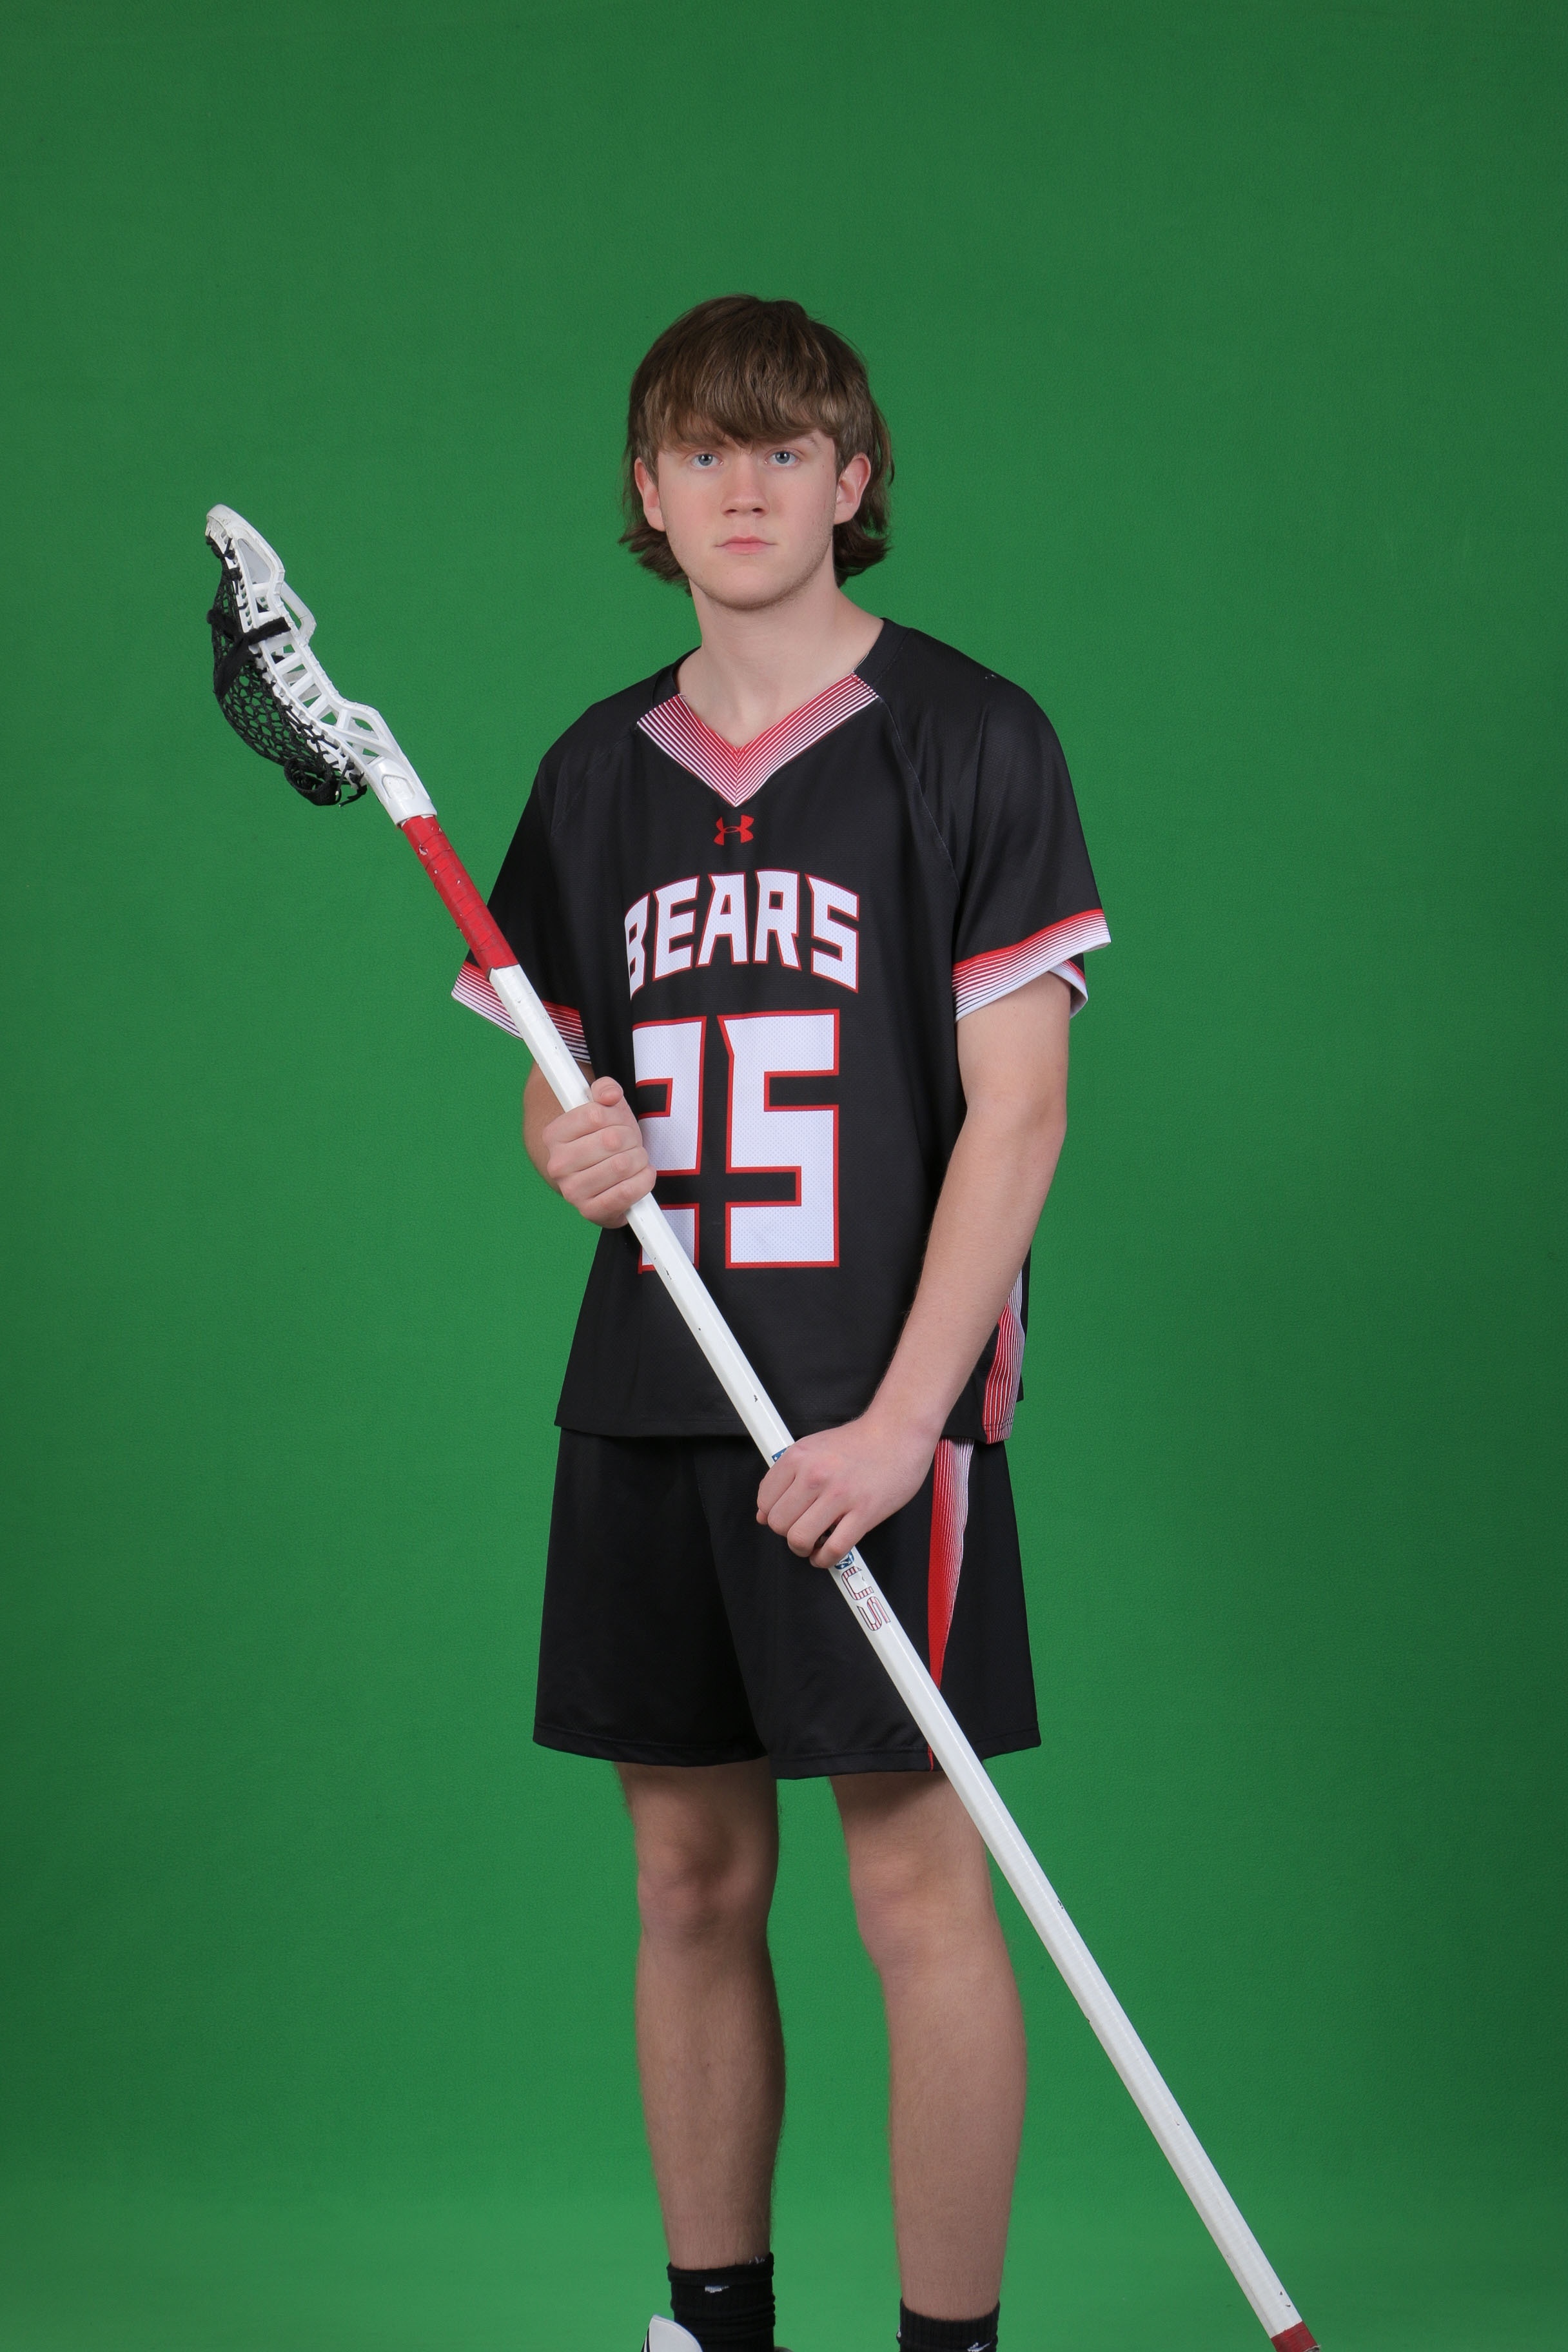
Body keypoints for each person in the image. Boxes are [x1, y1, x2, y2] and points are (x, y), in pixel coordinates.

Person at [453, 295, 1108, 2352]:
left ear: (854, 480)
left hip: (868, 1407)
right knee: (687, 1884)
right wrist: (566, 1146)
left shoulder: (971, 736)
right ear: (647, 495)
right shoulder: (595, 769)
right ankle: (713, 2325)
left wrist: (908, 1423)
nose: (745, 487)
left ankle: (947, 2344)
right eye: (703, 453)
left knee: (914, 1890)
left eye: (786, 449)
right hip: (656, 1393)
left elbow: (1019, 1115)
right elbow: (561, 1085)